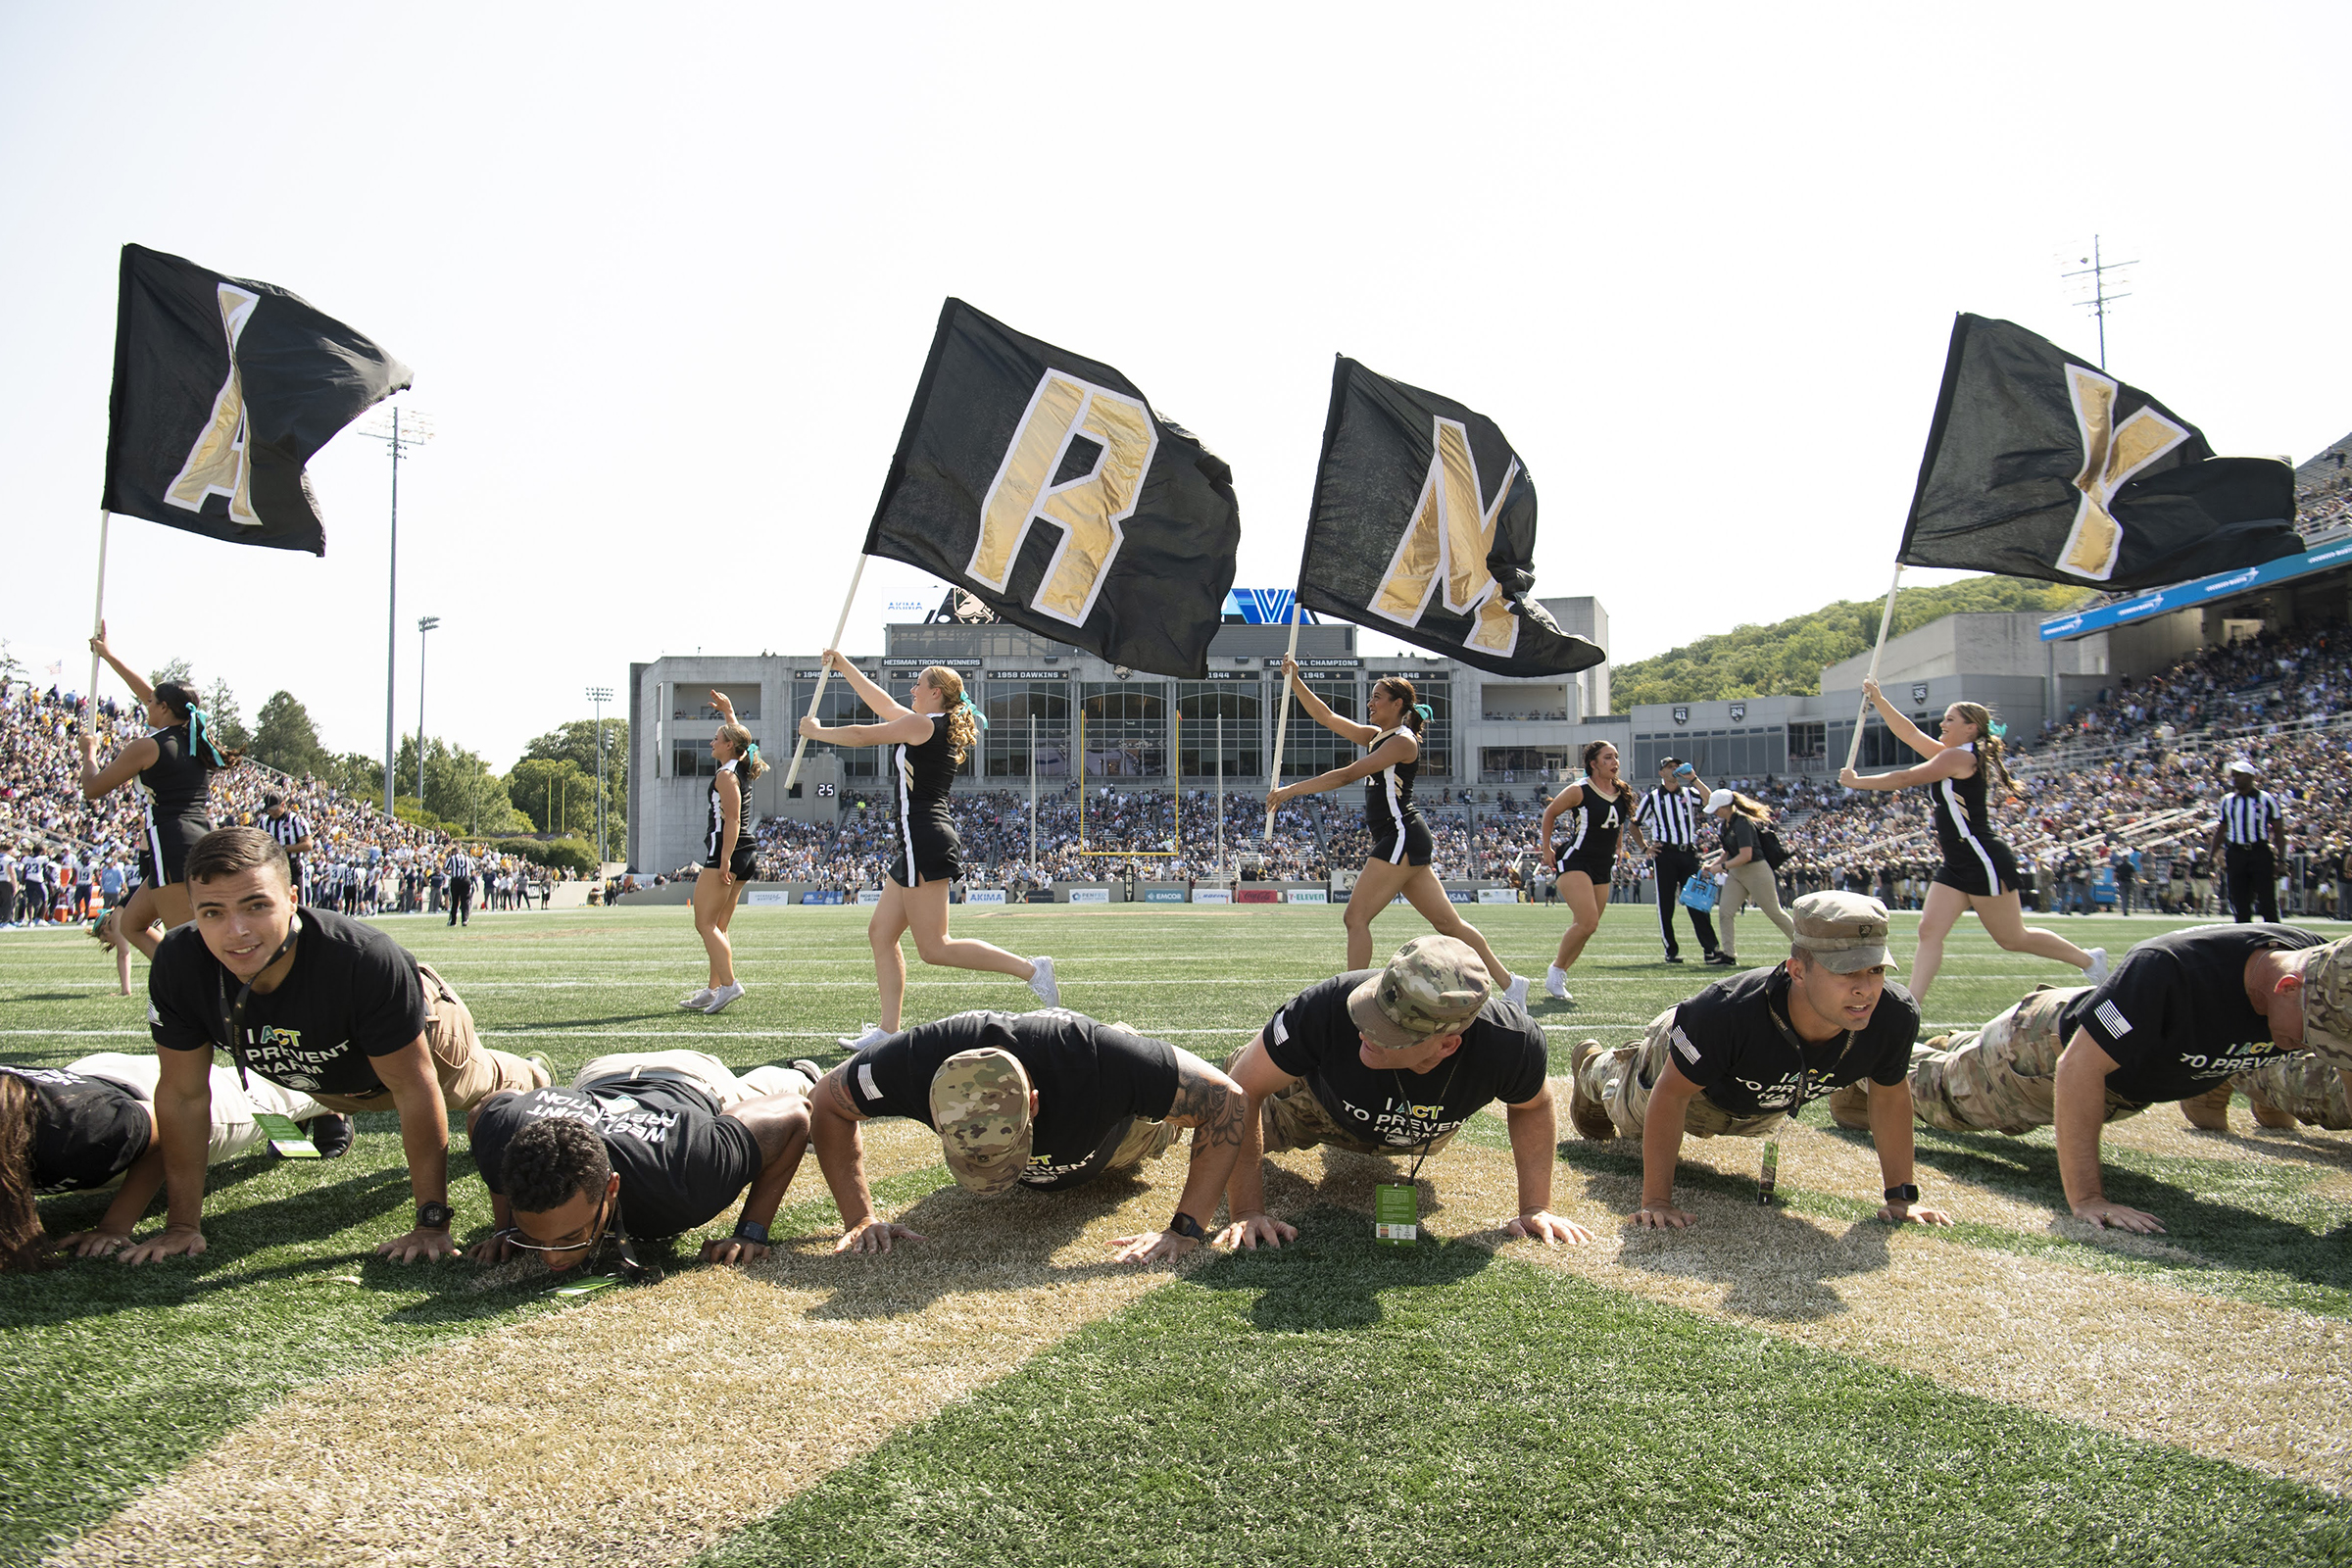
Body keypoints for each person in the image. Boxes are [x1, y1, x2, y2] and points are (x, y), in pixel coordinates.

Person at [123, 827, 551, 1265]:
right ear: (192, 911)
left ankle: (531, 1074)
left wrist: (431, 1222)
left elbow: (413, 1089)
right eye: (212, 912)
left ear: (292, 898)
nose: (236, 931)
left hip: (427, 1040)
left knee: (476, 1084)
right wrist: (181, 1226)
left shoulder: (363, 959)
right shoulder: (178, 961)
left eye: (257, 906)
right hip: (321, 1072)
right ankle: (334, 1109)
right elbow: (183, 1095)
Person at [1853, 924, 2341, 1234]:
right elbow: (2078, 1067)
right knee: (1934, 1092)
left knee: (1958, 1057)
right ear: (2287, 986)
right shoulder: (2171, 970)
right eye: (2314, 1032)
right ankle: (1850, 1061)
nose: (2313, 1045)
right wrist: (2088, 1198)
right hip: (2042, 1052)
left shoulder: (2317, 963)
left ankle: (1953, 1045)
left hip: (2128, 1062)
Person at [1568, 893, 1950, 1229]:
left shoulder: (1893, 1016)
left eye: (1876, 970)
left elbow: (1888, 1096)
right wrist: (1656, 1202)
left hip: (1761, 1101)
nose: (1865, 988)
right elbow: (1670, 1095)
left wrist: (1900, 1198)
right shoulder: (1726, 1013)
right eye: (1846, 971)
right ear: (1797, 971)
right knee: (1630, 1113)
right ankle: (1595, 1068)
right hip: (1686, 1072)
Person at [1218, 935, 1592, 1250]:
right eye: (1372, 1009)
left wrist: (1536, 1206)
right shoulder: (1327, 1007)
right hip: (1313, 1108)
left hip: (1418, 1128)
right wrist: (1247, 1211)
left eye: (1389, 1032)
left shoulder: (1512, 1043)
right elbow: (1243, 1091)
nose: (1365, 1031)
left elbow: (1532, 1105)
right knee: (1219, 1092)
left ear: (1447, 1046)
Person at [806, 1008, 1248, 1264]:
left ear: (1033, 1104)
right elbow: (826, 1103)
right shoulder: (912, 1063)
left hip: (1125, 1136)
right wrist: (859, 1217)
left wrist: (1186, 1229)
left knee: (1177, 1116)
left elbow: (1228, 1101)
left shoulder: (1095, 1061)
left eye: (1004, 1153)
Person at [799, 654, 1056, 1050]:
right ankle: (887, 1032)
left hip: (925, 837)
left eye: (918, 685)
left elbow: (865, 734)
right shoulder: (926, 722)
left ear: (936, 693)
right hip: (914, 840)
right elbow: (883, 704)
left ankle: (1032, 969)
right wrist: (844, 666)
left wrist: (817, 732)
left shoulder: (924, 724)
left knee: (935, 947)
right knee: (881, 934)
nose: (912, 690)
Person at [1263, 658, 1527, 1006]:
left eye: (1377, 697)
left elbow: (1348, 775)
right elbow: (1326, 717)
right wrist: (1295, 681)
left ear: (1397, 704)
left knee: (1355, 917)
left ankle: (1348, 997)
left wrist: (1289, 790)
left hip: (1400, 833)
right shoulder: (1378, 736)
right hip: (1404, 836)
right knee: (1448, 923)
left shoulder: (1403, 742)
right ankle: (1512, 984)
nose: (1370, 703)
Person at [1838, 680, 2105, 1010]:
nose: (1942, 724)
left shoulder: (1962, 759)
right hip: (1957, 860)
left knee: (2012, 938)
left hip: (1981, 856)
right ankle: (1912, 1006)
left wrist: (1858, 783)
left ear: (1970, 728)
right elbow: (1908, 733)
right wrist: (1878, 699)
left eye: (1950, 719)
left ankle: (2090, 961)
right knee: (1929, 930)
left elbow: (1907, 778)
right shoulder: (1952, 755)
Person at [466, 1051, 816, 1274]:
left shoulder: (685, 1173)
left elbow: (794, 1114)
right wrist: (507, 1227)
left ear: (611, 1187)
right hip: (601, 1073)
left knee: (763, 1095)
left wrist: (751, 1232)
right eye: (539, 1241)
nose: (551, 1259)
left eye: (569, 1237)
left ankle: (801, 1074)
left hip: (691, 1077)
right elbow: (487, 1110)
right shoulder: (505, 1138)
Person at [0, 1053, 345, 1269]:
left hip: (157, 1105)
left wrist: (113, 1228)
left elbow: (166, 1131)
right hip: (91, 1080)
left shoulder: (78, 1131)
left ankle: (330, 1105)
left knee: (271, 1095)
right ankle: (294, 1126)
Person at [76, 623, 236, 966]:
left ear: (164, 708)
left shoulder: (149, 746)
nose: (146, 704)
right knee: (132, 924)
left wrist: (88, 753)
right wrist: (109, 656)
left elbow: (93, 789)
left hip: (170, 840)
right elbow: (151, 694)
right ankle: (173, 981)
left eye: (152, 703)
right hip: (197, 836)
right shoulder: (196, 740)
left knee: (191, 943)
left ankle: (198, 997)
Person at [1537, 741, 1650, 1004]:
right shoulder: (1580, 790)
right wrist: (1546, 848)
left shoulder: (1621, 791)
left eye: (1616, 757)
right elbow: (1550, 813)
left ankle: (1559, 971)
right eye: (1608, 758)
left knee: (1589, 927)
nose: (1615, 762)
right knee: (1587, 921)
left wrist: (1620, 846)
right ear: (1593, 763)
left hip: (1602, 864)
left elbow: (1618, 823)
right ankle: (1555, 972)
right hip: (1576, 859)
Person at [682, 691, 765, 1015]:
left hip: (726, 852)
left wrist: (725, 860)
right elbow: (746, 741)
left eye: (717, 738)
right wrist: (729, 711)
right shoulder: (742, 763)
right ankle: (715, 988)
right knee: (719, 924)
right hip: (744, 852)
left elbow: (730, 819)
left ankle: (729, 984)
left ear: (729, 746)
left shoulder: (726, 775)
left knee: (704, 923)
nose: (712, 743)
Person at [1637, 758, 1721, 966]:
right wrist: (1645, 847)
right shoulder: (1653, 798)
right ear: (1661, 773)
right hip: (1665, 853)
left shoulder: (1688, 793)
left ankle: (1710, 950)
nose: (1674, 770)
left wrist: (1693, 779)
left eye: (1676, 767)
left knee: (1696, 901)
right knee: (1666, 903)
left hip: (1687, 853)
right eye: (1669, 767)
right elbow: (1634, 824)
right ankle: (1671, 950)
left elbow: (1709, 801)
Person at [1702, 789, 1795, 967]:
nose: (1715, 812)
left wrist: (1719, 867)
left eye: (1717, 808)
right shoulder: (1726, 824)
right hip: (1737, 872)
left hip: (1755, 871)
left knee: (1774, 912)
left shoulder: (1743, 823)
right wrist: (1713, 864)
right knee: (1725, 912)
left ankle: (1807, 948)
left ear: (1725, 806)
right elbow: (1729, 851)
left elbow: (1746, 855)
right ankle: (1729, 955)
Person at [2211, 758, 2286, 924]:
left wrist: (2281, 860)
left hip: (2259, 852)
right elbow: (2221, 829)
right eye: (2233, 775)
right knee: (2239, 901)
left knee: (2267, 900)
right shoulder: (2227, 801)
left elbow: (2279, 831)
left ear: (2251, 777)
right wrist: (2212, 856)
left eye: (2239, 775)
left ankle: (2274, 939)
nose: (2235, 778)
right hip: (2236, 853)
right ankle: (2244, 942)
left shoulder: (2266, 799)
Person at [260, 794, 315, 904]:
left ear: (283, 805)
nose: (272, 812)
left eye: (274, 809)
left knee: (298, 904)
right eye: (269, 809)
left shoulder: (295, 820)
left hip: (292, 865)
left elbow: (308, 845)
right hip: (272, 866)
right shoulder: (264, 822)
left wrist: (283, 848)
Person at [444, 842, 476, 927]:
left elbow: (446, 870)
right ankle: (465, 920)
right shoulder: (467, 858)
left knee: (454, 901)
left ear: (454, 852)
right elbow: (473, 870)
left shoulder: (452, 858)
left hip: (456, 880)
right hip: (466, 880)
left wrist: (451, 873)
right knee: (465, 901)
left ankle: (453, 921)